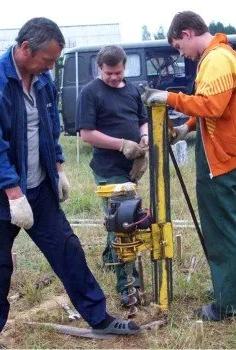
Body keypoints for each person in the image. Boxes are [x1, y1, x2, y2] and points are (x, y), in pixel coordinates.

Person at [0, 18, 140, 349]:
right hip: (0, 194)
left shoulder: (42, 80)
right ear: (26, 48)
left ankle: (99, 318)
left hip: (39, 187)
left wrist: (57, 167)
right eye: (47, 59)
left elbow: (49, 124)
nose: (51, 66)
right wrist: (13, 194)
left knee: (68, 249)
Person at [142, 11, 236, 321]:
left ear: (188, 33)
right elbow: (210, 103)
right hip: (228, 151)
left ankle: (228, 304)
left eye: (179, 46)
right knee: (228, 225)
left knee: (221, 230)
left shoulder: (216, 59)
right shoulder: (221, 55)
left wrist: (169, 97)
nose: (181, 53)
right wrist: (187, 128)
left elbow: (212, 106)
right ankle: (232, 290)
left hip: (221, 157)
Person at [75, 45, 148, 306]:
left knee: (119, 217)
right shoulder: (90, 92)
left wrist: (143, 137)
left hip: (130, 169)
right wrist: (121, 145)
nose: (114, 77)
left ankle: (108, 260)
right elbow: (87, 133)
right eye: (109, 73)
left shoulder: (132, 90)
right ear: (100, 69)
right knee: (123, 225)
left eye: (118, 72)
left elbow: (142, 119)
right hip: (108, 169)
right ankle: (128, 286)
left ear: (124, 67)